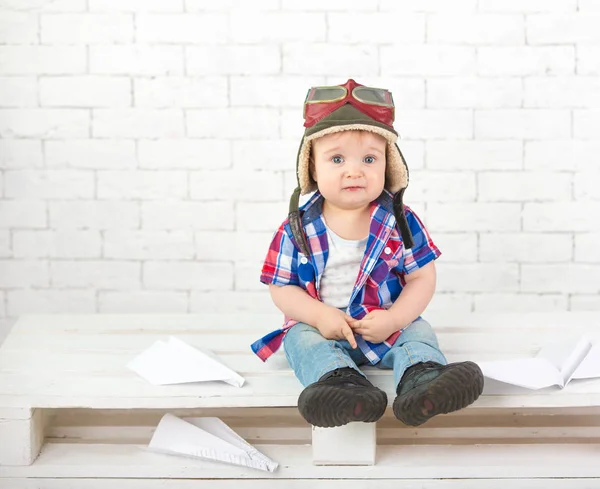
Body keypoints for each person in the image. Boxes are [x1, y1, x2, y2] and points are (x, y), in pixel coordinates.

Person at [250, 79, 484, 428]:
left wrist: (395, 319)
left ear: (388, 167)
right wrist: (318, 315)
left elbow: (422, 276)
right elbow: (281, 287)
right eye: (337, 158)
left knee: (418, 332)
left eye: (369, 158)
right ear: (312, 168)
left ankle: (423, 384)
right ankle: (343, 387)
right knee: (300, 340)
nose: (354, 170)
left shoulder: (400, 221)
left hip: (384, 323)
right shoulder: (296, 228)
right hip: (326, 327)